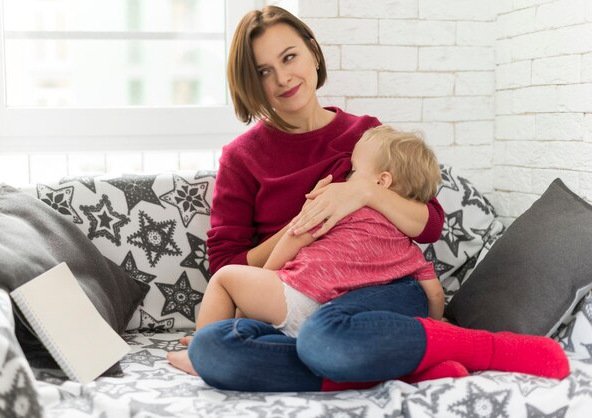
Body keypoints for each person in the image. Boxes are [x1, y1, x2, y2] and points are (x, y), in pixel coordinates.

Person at [166, 6, 569, 392]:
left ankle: (482, 348)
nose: (283, 78)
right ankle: (399, 368)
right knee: (213, 349)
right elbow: (227, 265)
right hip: (293, 295)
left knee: (323, 336)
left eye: (290, 57)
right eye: (264, 71)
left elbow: (429, 224)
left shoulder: (366, 135)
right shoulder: (242, 156)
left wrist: (362, 190)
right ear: (252, 82)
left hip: (383, 288)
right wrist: (302, 224)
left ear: (312, 50)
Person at [167, 126, 446, 375]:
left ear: (382, 181)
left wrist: (267, 278)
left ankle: (199, 354)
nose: (346, 176)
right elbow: (433, 292)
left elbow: (297, 237)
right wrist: (433, 326)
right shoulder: (409, 250)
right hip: (340, 320)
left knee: (226, 279)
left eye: (352, 170)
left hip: (299, 295)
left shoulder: (340, 206)